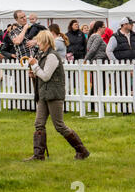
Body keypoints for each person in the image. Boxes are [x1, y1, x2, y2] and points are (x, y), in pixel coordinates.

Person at [25, 30, 90, 161]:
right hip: (44, 94)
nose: (37, 43)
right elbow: (42, 75)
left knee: (59, 125)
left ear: (45, 41)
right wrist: (34, 72)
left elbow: (46, 76)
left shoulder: (52, 56)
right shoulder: (44, 55)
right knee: (39, 124)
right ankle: (38, 155)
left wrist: (35, 67)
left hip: (54, 94)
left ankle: (82, 151)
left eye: (39, 41)